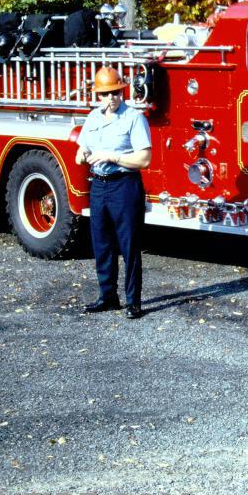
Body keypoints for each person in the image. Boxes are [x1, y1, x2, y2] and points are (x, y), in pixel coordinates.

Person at [75, 66, 152, 319]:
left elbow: (144, 159)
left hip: (124, 185)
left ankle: (133, 301)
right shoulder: (93, 118)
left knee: (129, 244)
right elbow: (82, 149)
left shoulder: (134, 117)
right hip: (99, 185)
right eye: (107, 94)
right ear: (98, 96)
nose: (112, 98)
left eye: (116, 92)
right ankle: (107, 296)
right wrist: (82, 154)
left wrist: (112, 156)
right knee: (102, 243)